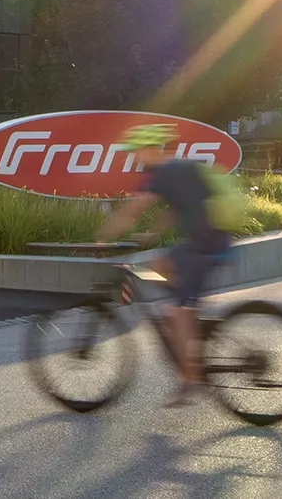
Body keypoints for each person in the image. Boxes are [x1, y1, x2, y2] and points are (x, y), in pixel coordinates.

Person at [94, 124, 232, 406]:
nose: (134, 158)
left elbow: (134, 209)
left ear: (149, 150)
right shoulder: (176, 171)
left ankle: (189, 380)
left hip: (206, 245)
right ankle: (186, 313)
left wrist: (104, 238)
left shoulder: (164, 173)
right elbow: (176, 208)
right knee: (160, 264)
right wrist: (154, 235)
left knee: (179, 312)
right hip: (201, 241)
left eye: (136, 153)